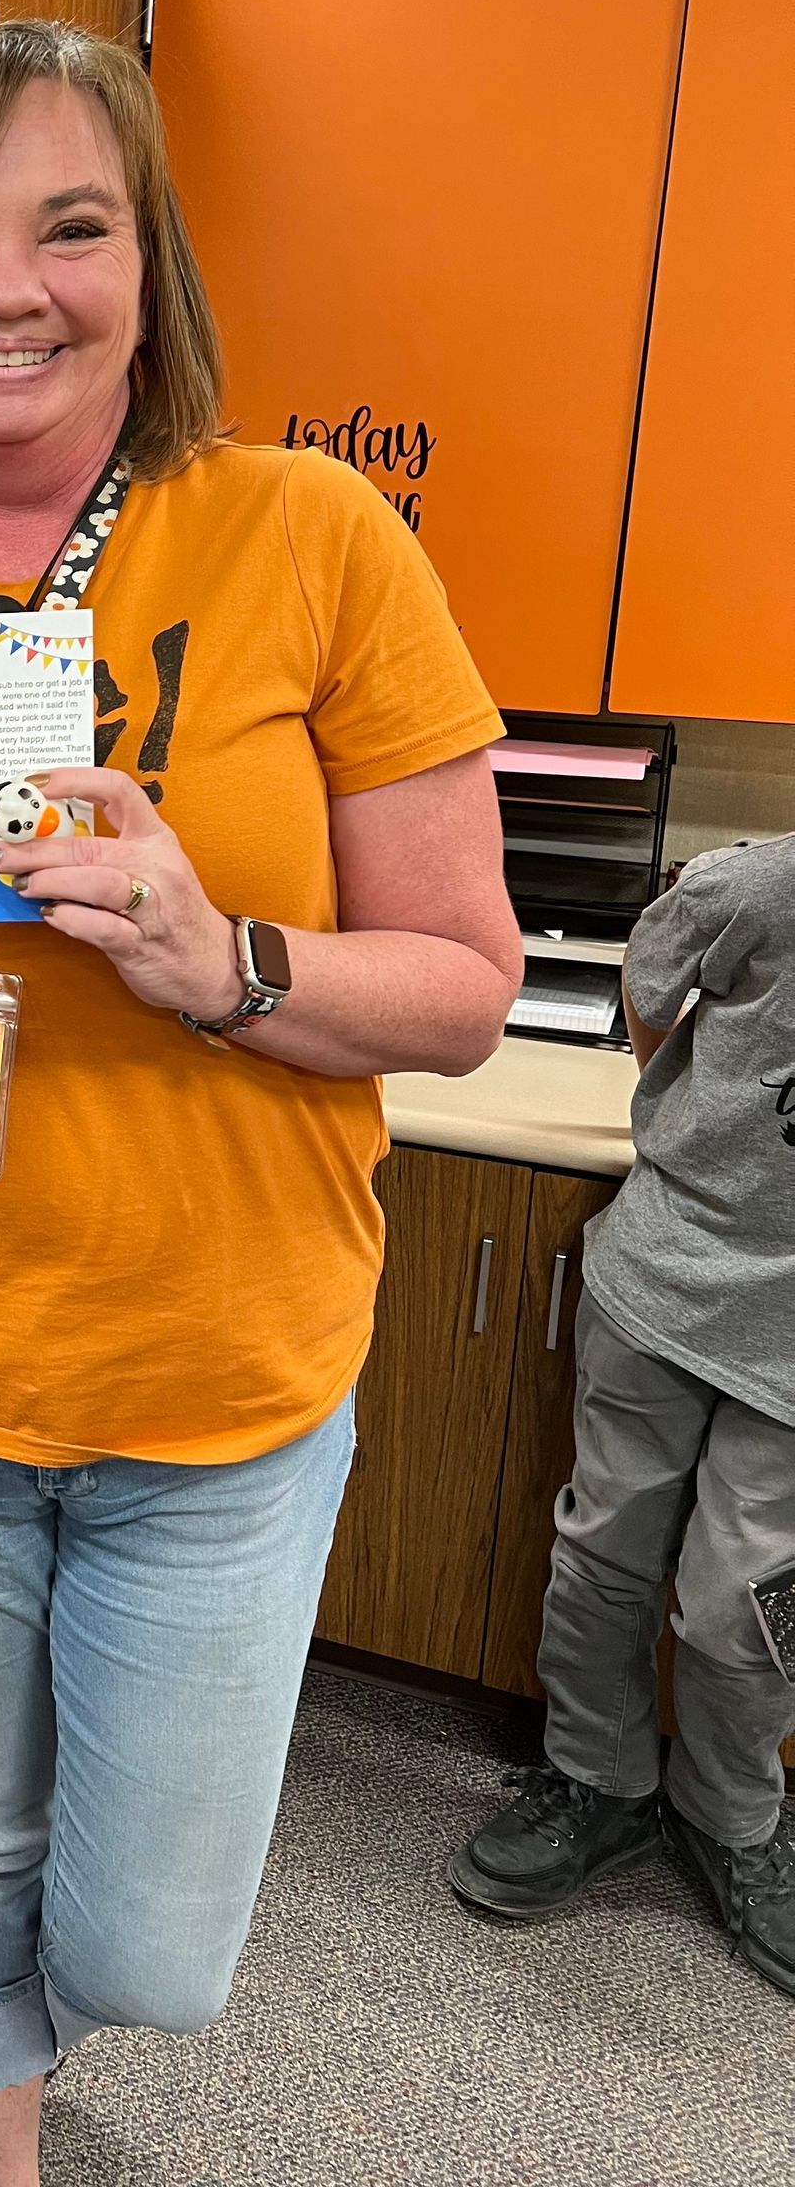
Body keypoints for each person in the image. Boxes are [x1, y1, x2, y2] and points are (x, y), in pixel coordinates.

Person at [0, 18, 520, 2187]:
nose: (9, 284)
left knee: (147, 1942)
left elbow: (467, 988)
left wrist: (228, 961)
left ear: (149, 268)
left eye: (73, 225)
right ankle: (4, 2150)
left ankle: (51, 2008)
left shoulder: (308, 536)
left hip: (221, 1387)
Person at [451, 835, 795, 1997]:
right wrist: (688, 1123)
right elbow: (649, 988)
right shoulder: (753, 883)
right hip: (669, 1278)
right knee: (605, 1548)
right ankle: (594, 1781)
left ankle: (734, 1816)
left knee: (746, 1604)